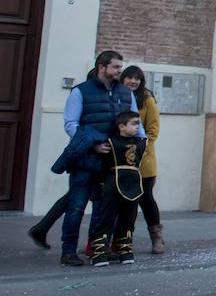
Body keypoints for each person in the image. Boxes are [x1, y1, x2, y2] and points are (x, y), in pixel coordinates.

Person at [33, 50, 141, 265]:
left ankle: (98, 248)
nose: (120, 71)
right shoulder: (81, 91)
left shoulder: (125, 93)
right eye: (116, 67)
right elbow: (71, 124)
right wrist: (94, 144)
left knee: (104, 208)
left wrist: (139, 146)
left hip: (112, 162)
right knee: (76, 207)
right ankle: (69, 251)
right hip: (85, 159)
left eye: (120, 67)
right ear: (102, 66)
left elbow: (137, 123)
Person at [88, 111, 147, 266]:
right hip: (113, 183)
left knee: (129, 218)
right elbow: (102, 167)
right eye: (134, 124)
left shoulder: (141, 142)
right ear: (121, 126)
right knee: (107, 216)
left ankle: (125, 250)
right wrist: (100, 185)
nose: (137, 127)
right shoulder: (110, 143)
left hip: (134, 183)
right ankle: (99, 252)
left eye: (138, 124)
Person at [120, 66, 165, 254]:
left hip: (143, 160)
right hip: (120, 158)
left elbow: (153, 129)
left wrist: (140, 148)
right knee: (121, 203)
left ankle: (157, 238)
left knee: (146, 199)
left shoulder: (146, 99)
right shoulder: (118, 96)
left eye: (137, 78)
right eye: (129, 77)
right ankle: (120, 241)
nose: (133, 81)